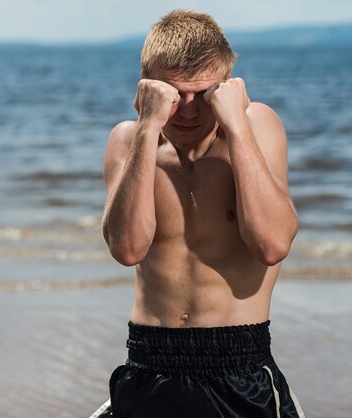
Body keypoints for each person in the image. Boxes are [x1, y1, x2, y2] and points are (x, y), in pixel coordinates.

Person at [91, 9, 305, 418]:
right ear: (146, 87)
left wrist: (237, 127)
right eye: (173, 95)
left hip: (239, 367)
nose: (188, 110)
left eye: (203, 94)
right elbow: (128, 248)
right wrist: (149, 128)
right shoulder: (129, 140)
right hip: (148, 364)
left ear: (226, 87)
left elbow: (272, 244)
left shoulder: (256, 126)